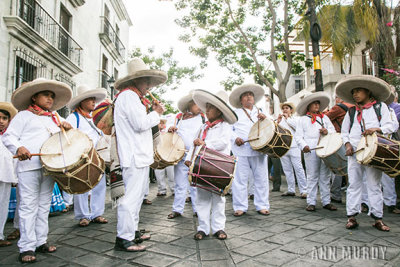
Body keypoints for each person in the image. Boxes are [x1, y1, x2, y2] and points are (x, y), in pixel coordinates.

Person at [3, 78, 72, 263]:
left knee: (43, 206)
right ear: (34, 97)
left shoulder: (56, 117)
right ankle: (26, 246)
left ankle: (41, 241)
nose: (50, 99)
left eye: (52, 96)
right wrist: (19, 148)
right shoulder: (23, 116)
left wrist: (67, 126)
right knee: (27, 206)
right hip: (28, 166)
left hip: (49, 168)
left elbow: (70, 135)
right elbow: (9, 136)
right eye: (46, 95)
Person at [113, 58, 166, 252]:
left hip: (139, 155)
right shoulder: (128, 96)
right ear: (135, 81)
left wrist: (153, 114)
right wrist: (156, 113)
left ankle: (132, 231)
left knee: (136, 199)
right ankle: (123, 238)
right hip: (134, 155)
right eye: (146, 81)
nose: (149, 85)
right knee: (131, 199)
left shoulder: (133, 97)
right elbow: (140, 124)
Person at [336, 75, 394, 231]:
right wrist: (347, 144)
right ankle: (352, 216)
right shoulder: (352, 111)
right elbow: (344, 131)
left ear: (368, 92)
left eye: (359, 91)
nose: (355, 94)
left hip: (373, 151)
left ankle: (377, 218)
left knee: (374, 184)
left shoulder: (380, 107)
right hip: (355, 151)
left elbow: (390, 125)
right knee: (353, 184)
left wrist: (377, 129)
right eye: (354, 91)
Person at [185, 89, 237, 240]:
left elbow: (222, 143)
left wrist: (205, 143)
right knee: (201, 198)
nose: (206, 111)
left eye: (210, 108)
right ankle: (203, 227)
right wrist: (190, 157)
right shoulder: (202, 127)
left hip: (219, 167)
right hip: (202, 167)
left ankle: (219, 227)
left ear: (219, 111)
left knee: (218, 198)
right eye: (206, 108)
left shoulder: (225, 126)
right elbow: (194, 143)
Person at [66, 85, 108, 227]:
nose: (93, 102)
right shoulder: (74, 117)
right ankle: (83, 215)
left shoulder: (96, 119)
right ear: (82, 102)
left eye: (93, 99)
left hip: (98, 156)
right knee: (82, 186)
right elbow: (68, 136)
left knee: (100, 185)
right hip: (82, 156)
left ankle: (97, 213)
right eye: (89, 99)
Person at [229, 84, 270, 216]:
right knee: (240, 179)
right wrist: (235, 138)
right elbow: (229, 130)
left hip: (260, 149)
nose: (248, 97)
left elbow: (271, 126)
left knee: (261, 178)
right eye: (245, 96)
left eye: (250, 95)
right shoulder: (235, 113)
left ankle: (262, 205)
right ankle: (240, 206)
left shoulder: (262, 110)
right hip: (241, 150)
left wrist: (266, 119)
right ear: (241, 100)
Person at [295, 92, 337, 212]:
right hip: (311, 150)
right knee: (312, 176)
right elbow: (298, 136)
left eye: (318, 103)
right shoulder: (302, 120)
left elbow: (332, 130)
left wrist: (326, 131)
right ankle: (311, 201)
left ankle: (326, 201)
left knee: (325, 176)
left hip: (324, 148)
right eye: (314, 103)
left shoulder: (325, 118)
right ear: (308, 106)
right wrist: (304, 146)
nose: (317, 106)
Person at [167, 91, 205, 219]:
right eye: (195, 104)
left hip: (196, 154)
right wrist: (171, 129)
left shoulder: (203, 118)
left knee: (195, 184)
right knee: (180, 183)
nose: (198, 107)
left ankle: (197, 209)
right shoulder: (178, 118)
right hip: (180, 155)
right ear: (189, 105)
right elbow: (169, 130)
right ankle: (177, 209)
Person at [325, 96, 354, 204]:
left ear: (338, 98)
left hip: (341, 138)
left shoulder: (338, 107)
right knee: (353, 168)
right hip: (354, 139)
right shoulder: (354, 106)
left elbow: (325, 118)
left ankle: (335, 194)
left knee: (339, 166)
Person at [277, 102, 307, 198]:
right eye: (284, 108)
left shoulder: (296, 119)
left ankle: (304, 190)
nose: (285, 110)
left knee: (298, 168)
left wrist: (287, 118)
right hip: (283, 147)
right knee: (287, 169)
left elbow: (297, 128)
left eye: (287, 108)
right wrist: (278, 121)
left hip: (294, 146)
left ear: (291, 110)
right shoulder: (280, 120)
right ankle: (291, 189)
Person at [0, 102, 18, 247]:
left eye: (4, 118)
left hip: (4, 175)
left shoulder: (10, 137)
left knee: (2, 204)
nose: (1, 121)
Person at [154, 117, 175, 197]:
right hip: (158, 156)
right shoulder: (154, 132)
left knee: (171, 174)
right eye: (160, 122)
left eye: (163, 123)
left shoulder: (168, 131)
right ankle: (161, 190)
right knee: (159, 174)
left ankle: (174, 189)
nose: (162, 124)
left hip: (169, 155)